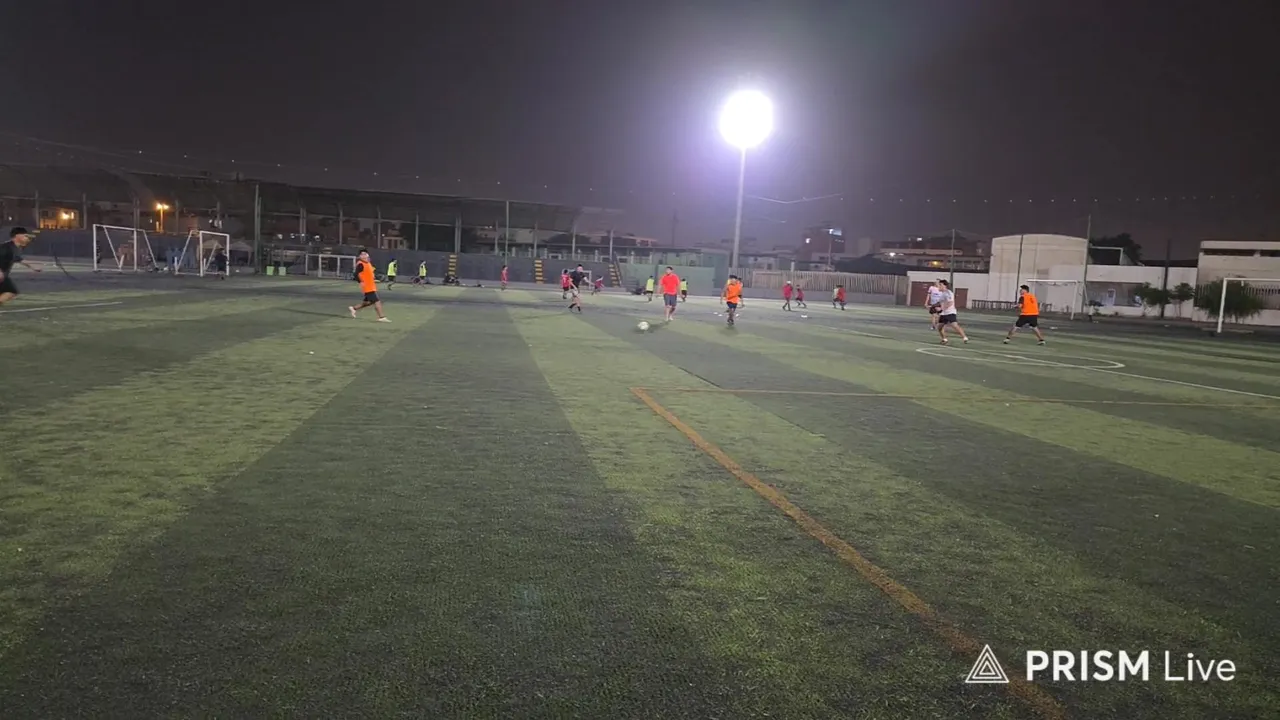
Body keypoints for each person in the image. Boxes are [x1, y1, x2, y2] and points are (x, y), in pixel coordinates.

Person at [0, 227, 41, 307]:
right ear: (17, 236)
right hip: (2, 276)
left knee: (10, 292)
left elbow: (19, 259)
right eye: (25, 236)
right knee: (11, 291)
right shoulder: (6, 247)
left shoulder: (16, 248)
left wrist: (32, 266)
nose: (27, 239)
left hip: (3, 276)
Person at [347, 250, 390, 322]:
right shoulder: (360, 264)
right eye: (362, 254)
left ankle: (354, 308)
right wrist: (361, 282)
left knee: (368, 302)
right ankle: (381, 317)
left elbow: (370, 274)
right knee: (377, 301)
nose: (364, 256)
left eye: (365, 254)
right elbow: (355, 274)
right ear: (359, 256)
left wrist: (374, 279)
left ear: (368, 255)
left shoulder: (368, 263)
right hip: (367, 287)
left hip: (371, 286)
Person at [934, 279, 968, 345]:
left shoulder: (948, 293)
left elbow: (950, 303)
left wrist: (941, 309)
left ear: (945, 286)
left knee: (954, 325)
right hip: (943, 313)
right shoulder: (943, 294)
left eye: (940, 285)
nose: (939, 286)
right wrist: (933, 306)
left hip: (950, 312)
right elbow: (940, 302)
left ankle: (965, 337)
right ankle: (944, 339)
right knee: (939, 327)